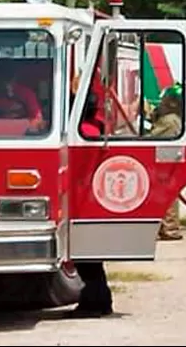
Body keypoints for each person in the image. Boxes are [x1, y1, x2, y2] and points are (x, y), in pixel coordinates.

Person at [72, 90, 114, 318]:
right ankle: (101, 301)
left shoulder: (83, 132)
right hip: (92, 196)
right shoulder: (96, 128)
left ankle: (93, 303)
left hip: (82, 199)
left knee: (86, 258)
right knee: (92, 259)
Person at [148, 83, 185, 241]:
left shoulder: (169, 120)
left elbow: (151, 137)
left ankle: (169, 229)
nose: (161, 103)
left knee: (165, 196)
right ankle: (168, 228)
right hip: (168, 161)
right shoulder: (171, 118)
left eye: (164, 100)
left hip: (164, 162)